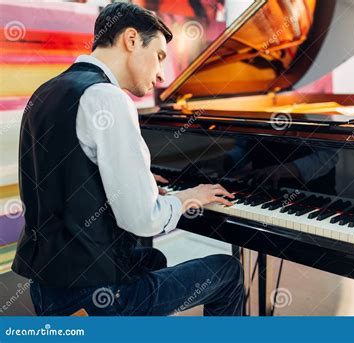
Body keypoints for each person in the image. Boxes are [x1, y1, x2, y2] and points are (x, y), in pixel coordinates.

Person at [12, 2, 243, 316]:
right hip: (98, 292)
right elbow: (143, 220)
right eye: (159, 56)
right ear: (131, 40)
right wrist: (189, 197)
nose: (161, 75)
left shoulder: (47, 92)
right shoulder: (107, 98)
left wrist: (141, 184)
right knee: (227, 271)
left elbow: (66, 177)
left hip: (48, 286)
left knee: (152, 261)